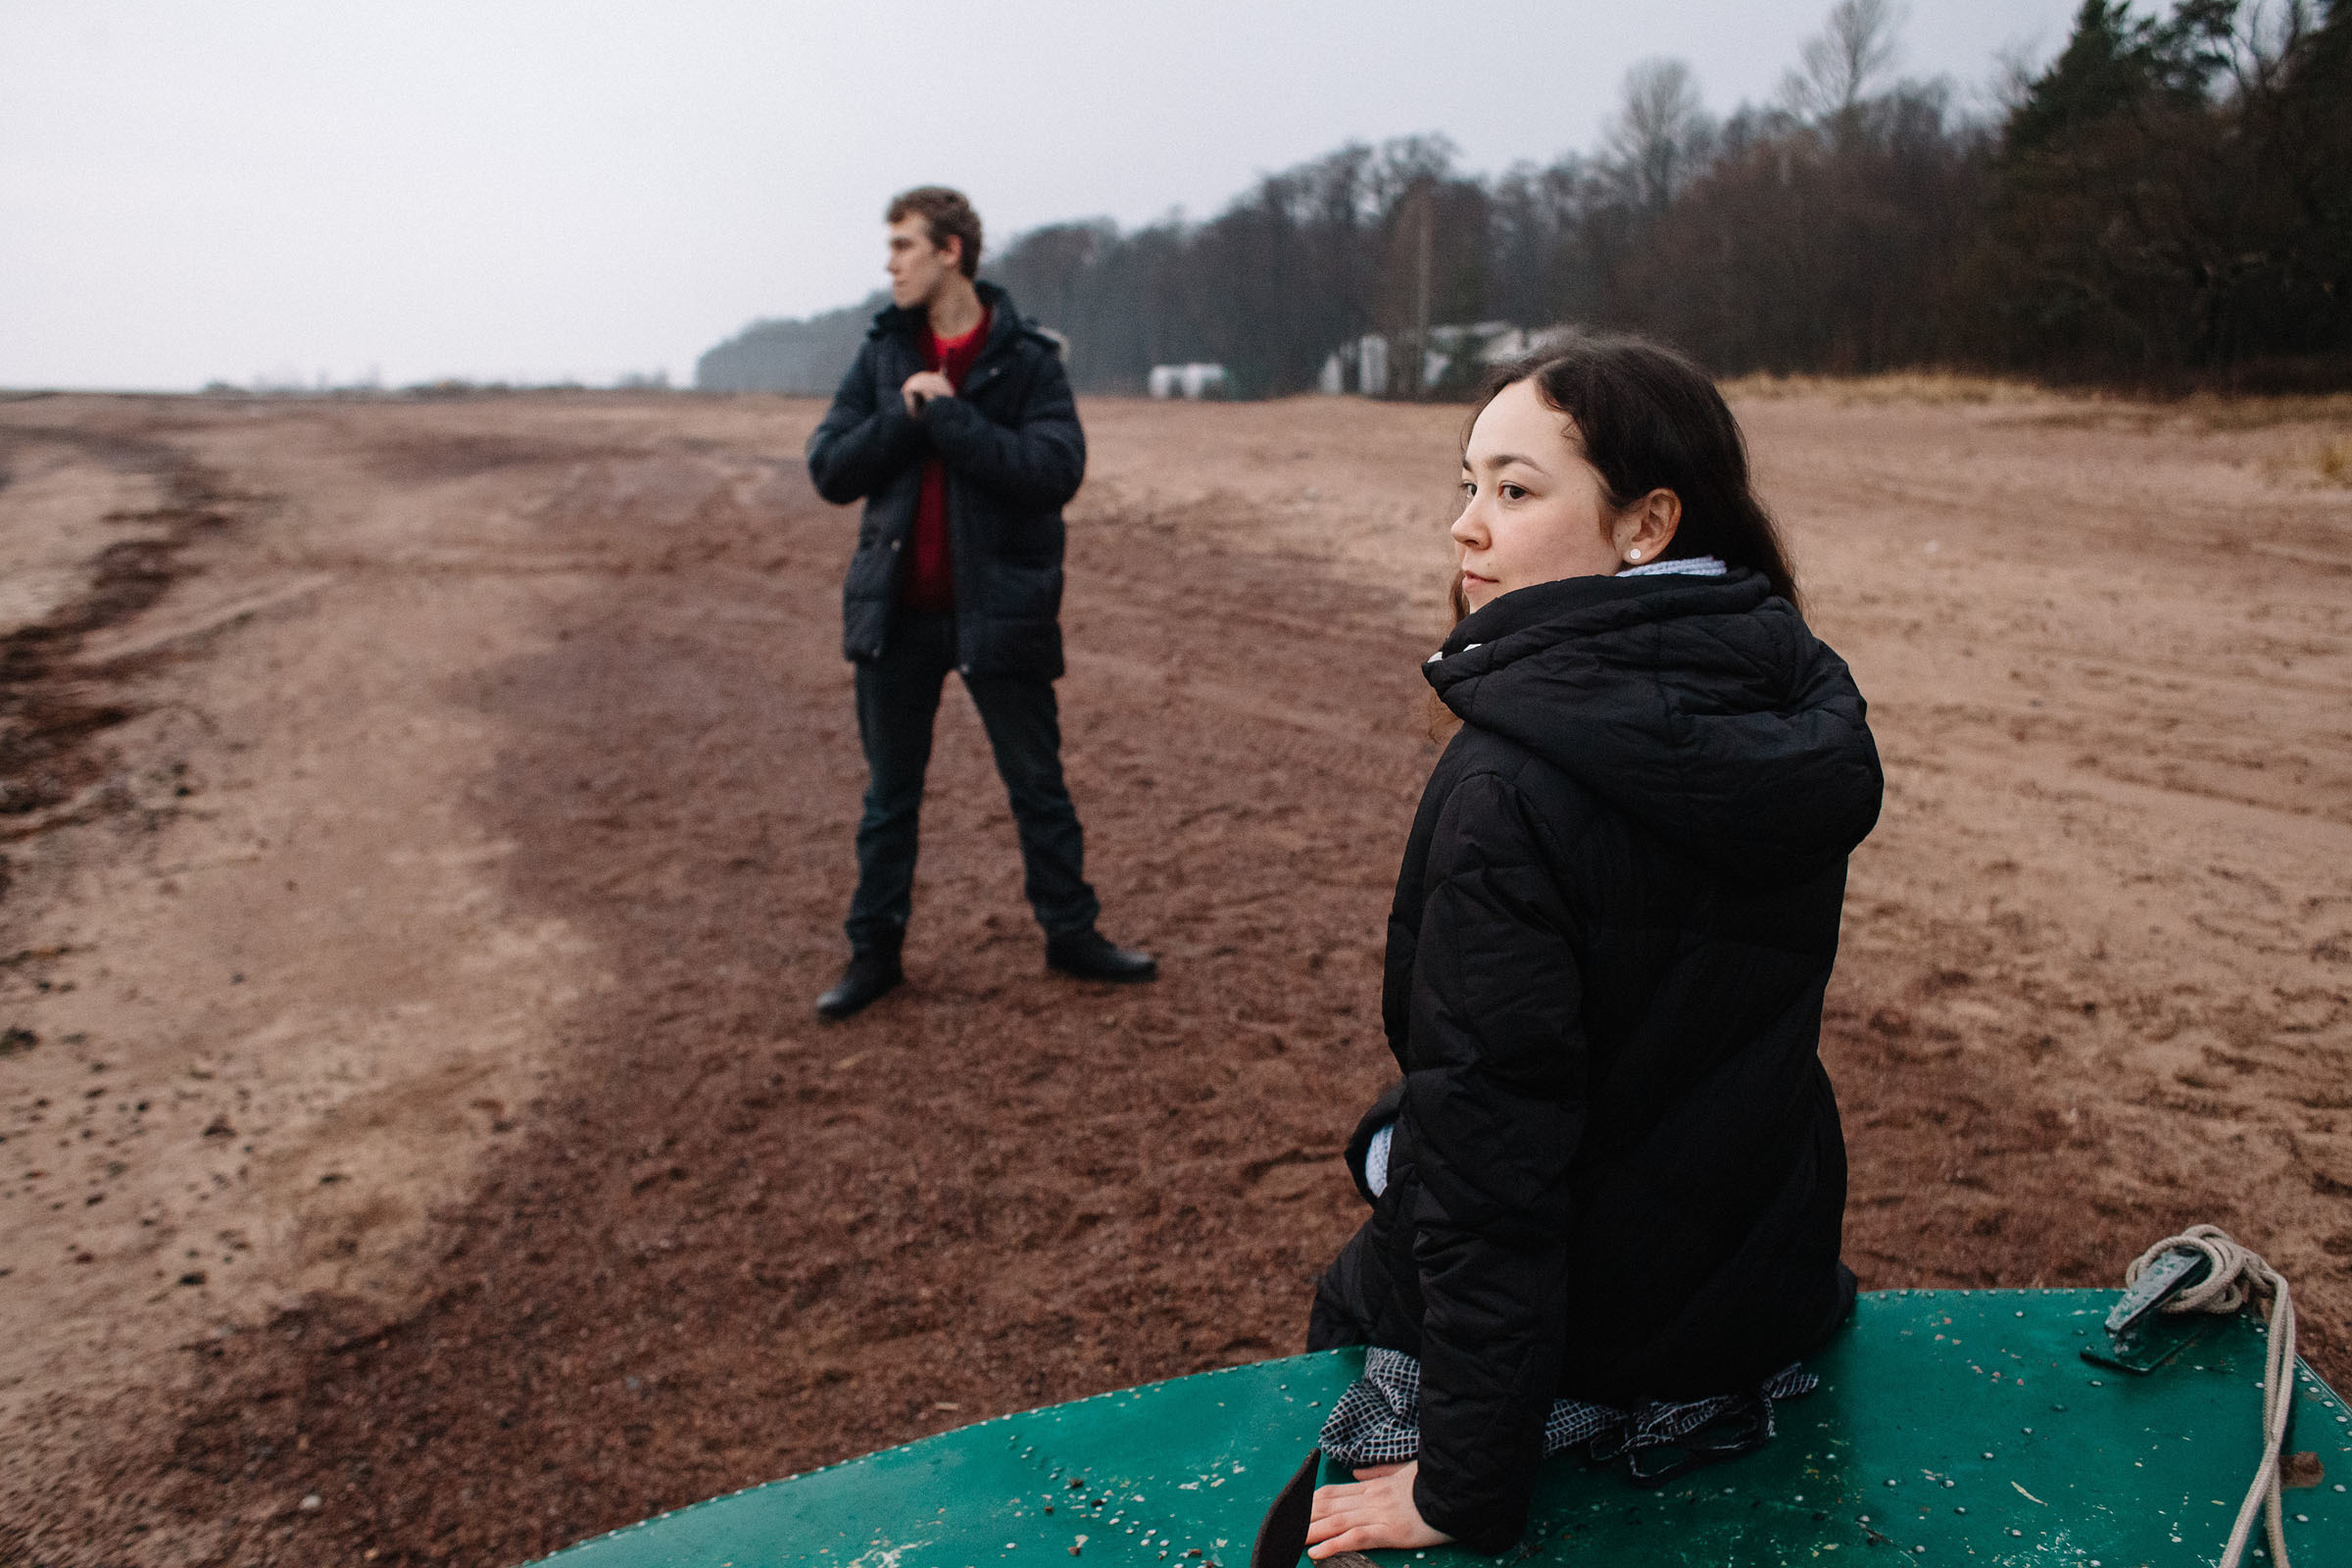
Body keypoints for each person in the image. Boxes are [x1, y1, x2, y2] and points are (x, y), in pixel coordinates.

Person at [1301, 336, 1884, 1555]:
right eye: (1465, 486)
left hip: (1599, 1337)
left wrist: (1461, 1480)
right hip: (1759, 1286)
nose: (1466, 528)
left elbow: (1490, 1170)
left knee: (1372, 1271)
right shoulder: (1789, 703)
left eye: (1513, 491)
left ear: (1646, 524)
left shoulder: (1507, 786)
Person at [805, 186, 1154, 1020]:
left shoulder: (1027, 359)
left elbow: (1054, 471)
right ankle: (874, 956)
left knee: (1038, 785)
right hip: (896, 612)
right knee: (890, 798)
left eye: (903, 247)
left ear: (950, 251)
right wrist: (906, 411)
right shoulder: (884, 353)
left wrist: (951, 420)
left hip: (1001, 608)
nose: (889, 265)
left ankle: (1072, 935)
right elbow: (828, 467)